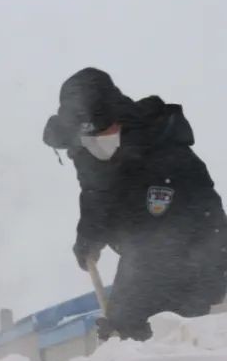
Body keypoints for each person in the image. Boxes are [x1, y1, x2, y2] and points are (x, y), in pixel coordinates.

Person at [43, 67, 227, 340]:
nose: (99, 144)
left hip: (200, 258)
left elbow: (159, 247)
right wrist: (90, 236)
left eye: (105, 132)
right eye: (90, 139)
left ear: (120, 120)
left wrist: (126, 318)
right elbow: (96, 196)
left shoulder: (166, 155)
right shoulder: (91, 156)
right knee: (129, 328)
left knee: (166, 337)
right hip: (147, 258)